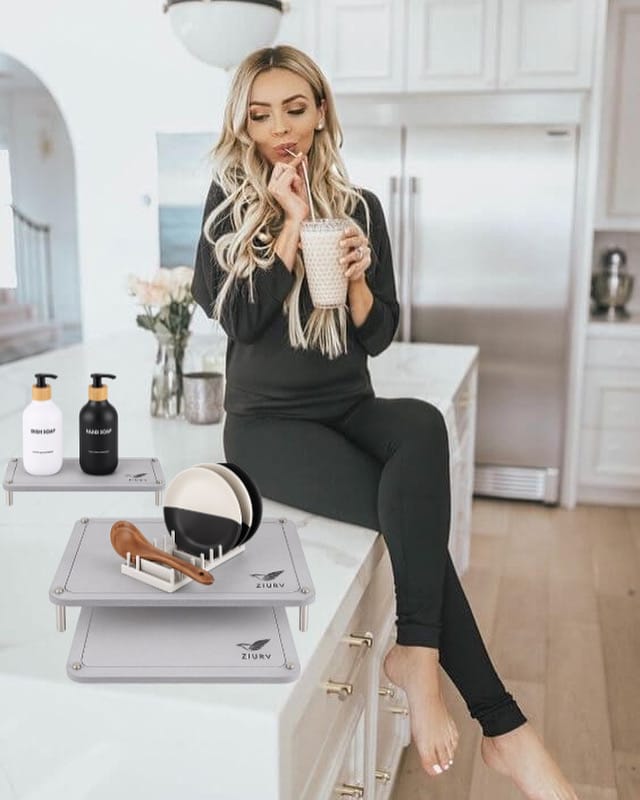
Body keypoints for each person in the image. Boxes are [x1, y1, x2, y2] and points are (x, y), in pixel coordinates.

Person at [191, 44, 579, 799]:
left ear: (322, 109)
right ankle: (497, 721)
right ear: (242, 124)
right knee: (413, 519)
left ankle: (422, 661)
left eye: (295, 109)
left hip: (348, 406)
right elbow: (236, 317)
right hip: (268, 429)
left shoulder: (361, 206)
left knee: (423, 426)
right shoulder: (228, 206)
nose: (281, 129)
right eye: (262, 114)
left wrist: (360, 281)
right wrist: (288, 225)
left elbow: (377, 336)